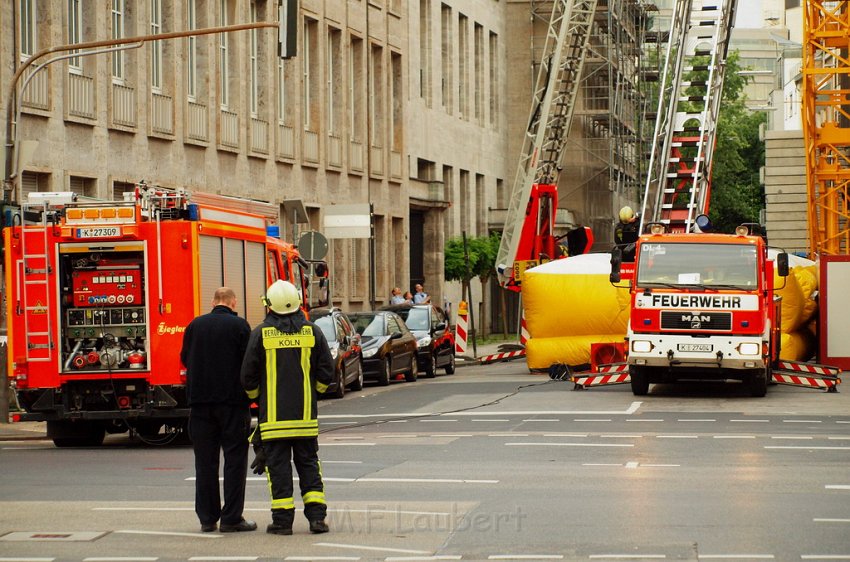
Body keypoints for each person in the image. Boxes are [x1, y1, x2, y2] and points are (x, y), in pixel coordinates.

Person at [241, 280, 335, 536]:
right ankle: (317, 520)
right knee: (309, 466)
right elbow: (328, 372)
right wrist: (312, 395)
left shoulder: (260, 333)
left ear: (269, 305)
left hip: (272, 420)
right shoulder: (312, 332)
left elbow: (247, 377)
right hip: (305, 420)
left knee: (278, 471)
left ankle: (282, 522)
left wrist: (261, 400)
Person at [180, 287, 256, 534]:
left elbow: (184, 358)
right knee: (234, 460)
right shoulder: (240, 327)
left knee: (205, 463)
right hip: (232, 404)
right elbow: (249, 364)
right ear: (233, 303)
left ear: (213, 302)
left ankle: (207, 518)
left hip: (200, 405)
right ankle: (232, 517)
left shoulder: (194, 326)